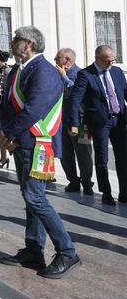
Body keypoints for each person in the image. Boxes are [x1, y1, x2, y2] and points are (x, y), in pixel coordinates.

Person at [0, 25, 80, 279]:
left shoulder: (43, 70)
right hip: (22, 143)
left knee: (35, 198)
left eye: (17, 39)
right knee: (30, 198)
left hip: (36, 144)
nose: (12, 41)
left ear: (29, 44)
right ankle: (34, 248)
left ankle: (67, 251)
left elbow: (34, 108)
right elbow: (7, 104)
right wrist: (7, 133)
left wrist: (9, 133)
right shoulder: (19, 69)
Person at [69, 45, 126, 206]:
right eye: (107, 61)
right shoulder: (85, 74)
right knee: (102, 159)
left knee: (123, 157)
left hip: (119, 120)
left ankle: (124, 192)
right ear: (97, 59)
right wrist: (74, 124)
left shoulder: (117, 72)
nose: (111, 63)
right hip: (100, 123)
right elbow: (75, 100)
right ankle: (106, 193)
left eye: (113, 60)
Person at [54, 48, 92, 193]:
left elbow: (77, 95)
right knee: (65, 153)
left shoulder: (81, 74)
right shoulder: (56, 75)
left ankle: (87, 183)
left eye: (57, 58)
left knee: (84, 153)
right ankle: (73, 181)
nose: (55, 60)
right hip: (62, 121)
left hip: (81, 123)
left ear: (67, 60)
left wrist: (64, 77)